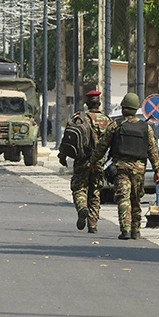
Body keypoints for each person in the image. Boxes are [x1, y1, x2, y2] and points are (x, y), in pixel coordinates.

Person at [90, 92, 159, 240]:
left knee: (123, 198)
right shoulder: (145, 128)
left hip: (121, 168)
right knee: (136, 198)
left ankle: (125, 229)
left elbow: (102, 146)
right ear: (136, 109)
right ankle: (136, 230)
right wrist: (157, 170)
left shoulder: (115, 125)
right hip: (139, 169)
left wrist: (93, 161)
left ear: (123, 108)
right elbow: (153, 150)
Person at [58, 86, 114, 234]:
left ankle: (82, 208)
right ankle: (93, 224)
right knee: (95, 192)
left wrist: (62, 156)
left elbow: (67, 138)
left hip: (81, 160)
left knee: (78, 188)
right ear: (99, 103)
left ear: (87, 103)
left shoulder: (78, 118)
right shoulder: (107, 120)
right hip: (99, 162)